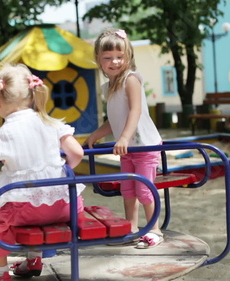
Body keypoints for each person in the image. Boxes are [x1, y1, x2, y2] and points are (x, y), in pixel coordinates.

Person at [0, 63, 85, 281]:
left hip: (22, 210)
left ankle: (0, 274)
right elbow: (77, 153)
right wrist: (61, 169)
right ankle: (33, 260)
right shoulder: (51, 122)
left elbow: (7, 161)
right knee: (37, 207)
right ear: (32, 96)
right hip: (65, 205)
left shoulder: (2, 134)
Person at [84, 28, 163, 249]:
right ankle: (131, 227)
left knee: (144, 189)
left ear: (128, 57)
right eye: (108, 58)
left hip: (143, 145)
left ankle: (154, 229)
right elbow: (115, 119)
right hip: (127, 147)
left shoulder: (131, 80)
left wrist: (125, 137)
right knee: (128, 188)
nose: (115, 62)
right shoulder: (108, 87)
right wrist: (96, 135)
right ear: (99, 60)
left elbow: (135, 111)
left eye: (120, 57)